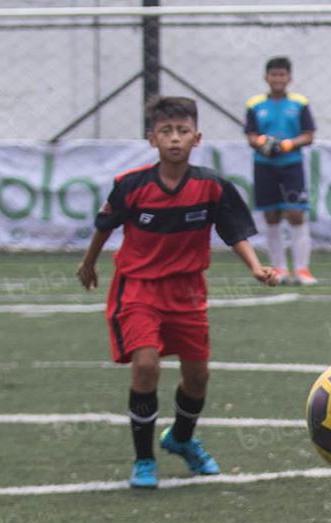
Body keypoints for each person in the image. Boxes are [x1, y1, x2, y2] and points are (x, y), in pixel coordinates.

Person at [77, 96, 276, 489]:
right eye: (166, 131)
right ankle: (144, 459)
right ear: (151, 138)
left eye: (182, 131)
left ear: (196, 138)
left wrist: (255, 267)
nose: (174, 138)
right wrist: (88, 264)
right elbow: (105, 225)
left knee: (198, 377)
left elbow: (232, 231)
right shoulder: (130, 186)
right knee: (146, 365)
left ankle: (181, 439)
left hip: (187, 294)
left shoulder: (211, 187)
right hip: (139, 289)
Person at [244, 56, 317, 285]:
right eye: (273, 75)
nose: (278, 79)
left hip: (291, 166)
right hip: (264, 166)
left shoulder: (300, 103)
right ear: (266, 77)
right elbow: (251, 136)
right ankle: (279, 268)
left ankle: (302, 269)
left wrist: (288, 144)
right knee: (271, 215)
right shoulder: (254, 104)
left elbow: (309, 135)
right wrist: (262, 143)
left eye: (282, 75)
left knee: (296, 214)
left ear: (289, 78)